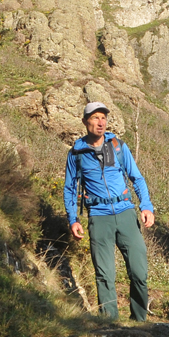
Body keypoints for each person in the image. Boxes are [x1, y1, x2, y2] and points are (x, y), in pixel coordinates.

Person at [64, 101, 155, 321]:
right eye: (95, 117)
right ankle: (110, 325)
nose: (100, 122)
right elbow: (69, 188)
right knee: (105, 275)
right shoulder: (76, 153)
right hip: (98, 216)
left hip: (125, 213)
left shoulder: (118, 146)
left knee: (139, 272)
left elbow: (137, 178)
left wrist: (146, 206)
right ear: (86, 122)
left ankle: (140, 321)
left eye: (103, 117)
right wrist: (73, 219)